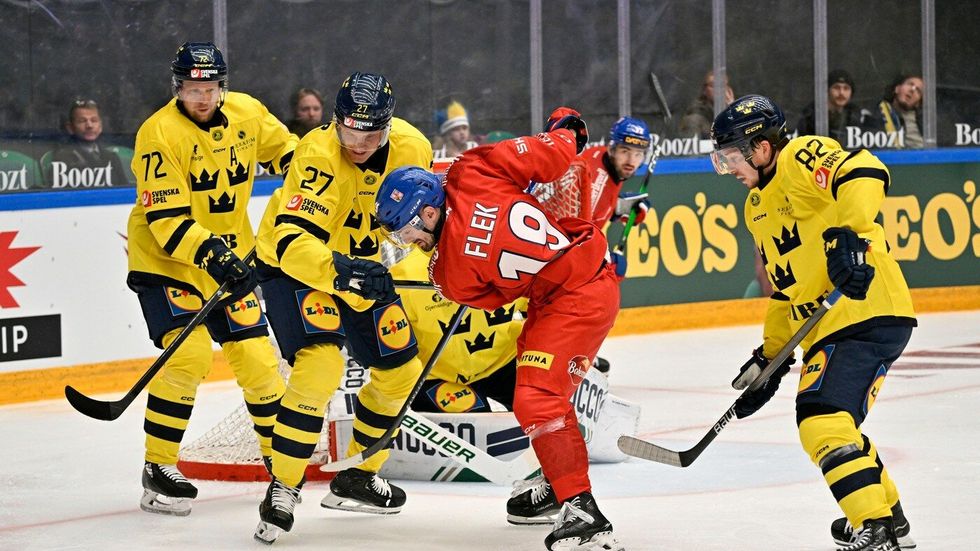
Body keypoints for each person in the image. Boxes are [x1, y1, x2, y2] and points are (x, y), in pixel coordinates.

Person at [375, 107, 624, 551]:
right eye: (399, 237)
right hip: (562, 292)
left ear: (430, 210)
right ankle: (558, 481)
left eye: (410, 229)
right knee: (538, 390)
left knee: (536, 398)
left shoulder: (448, 273)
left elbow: (495, 297)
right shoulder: (472, 169)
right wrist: (568, 130)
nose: (408, 241)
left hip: (578, 294)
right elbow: (551, 154)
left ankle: (583, 510)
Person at [709, 94, 917, 551]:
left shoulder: (800, 158)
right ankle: (887, 516)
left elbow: (865, 170)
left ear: (761, 148)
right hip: (833, 324)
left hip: (864, 308)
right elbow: (787, 293)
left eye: (729, 157)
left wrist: (850, 237)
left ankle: (876, 529)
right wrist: (770, 358)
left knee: (822, 420)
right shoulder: (755, 207)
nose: (727, 169)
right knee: (835, 421)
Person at [251, 71, 433, 544]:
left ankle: (357, 474)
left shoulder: (414, 149)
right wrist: (340, 272)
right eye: (350, 131)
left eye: (371, 133)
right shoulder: (316, 154)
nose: (359, 143)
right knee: (321, 364)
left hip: (362, 269)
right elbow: (292, 240)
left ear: (388, 126)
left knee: (400, 371)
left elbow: (427, 215)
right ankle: (284, 485)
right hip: (297, 267)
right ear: (336, 122)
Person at [126, 41, 297, 517]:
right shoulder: (158, 133)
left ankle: (282, 466)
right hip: (169, 262)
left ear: (223, 86)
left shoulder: (247, 112)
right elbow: (167, 220)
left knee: (260, 361)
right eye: (192, 87)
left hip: (228, 257)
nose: (202, 97)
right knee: (190, 354)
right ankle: (158, 466)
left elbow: (291, 156)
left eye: (210, 87)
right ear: (177, 87)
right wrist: (215, 256)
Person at [565, 116, 652, 276]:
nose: (631, 161)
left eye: (638, 154)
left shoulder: (607, 164)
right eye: (625, 151)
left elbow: (590, 210)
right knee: (613, 275)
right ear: (612, 148)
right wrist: (604, 262)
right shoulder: (592, 174)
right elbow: (572, 236)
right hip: (553, 258)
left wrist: (618, 208)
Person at [46, 99, 128, 188]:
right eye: (82, 121)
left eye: (94, 120)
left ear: (100, 126)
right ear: (70, 128)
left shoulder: (112, 158)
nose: (89, 125)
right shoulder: (62, 159)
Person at [796, 70, 873, 145]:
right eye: (836, 87)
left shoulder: (857, 114)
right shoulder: (811, 116)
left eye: (846, 88)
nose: (841, 93)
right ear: (827, 90)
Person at [679, 70, 734, 138]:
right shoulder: (695, 116)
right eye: (713, 85)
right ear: (704, 90)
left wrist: (732, 109)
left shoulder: (731, 111)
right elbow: (692, 144)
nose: (719, 89)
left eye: (722, 85)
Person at [873, 74, 924, 148]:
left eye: (918, 90)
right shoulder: (880, 112)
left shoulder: (925, 122)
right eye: (910, 84)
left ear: (918, 103)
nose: (912, 90)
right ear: (897, 89)